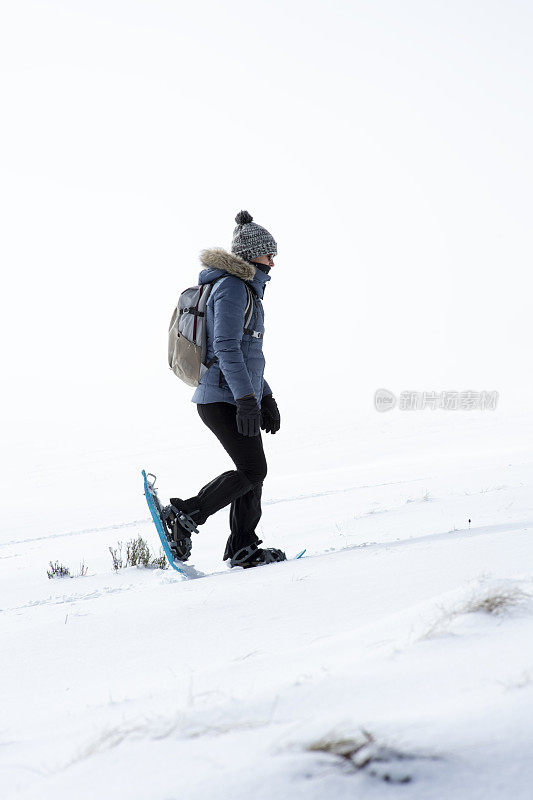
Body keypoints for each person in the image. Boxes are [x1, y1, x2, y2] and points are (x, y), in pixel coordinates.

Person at [164, 210, 286, 569]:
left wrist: (266, 396)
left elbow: (249, 355)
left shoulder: (246, 290)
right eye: (268, 255)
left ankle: (243, 547)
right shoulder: (232, 288)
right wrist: (249, 399)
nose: (273, 263)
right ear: (250, 256)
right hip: (222, 398)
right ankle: (186, 514)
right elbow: (227, 347)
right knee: (253, 470)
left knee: (251, 471)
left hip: (234, 396)